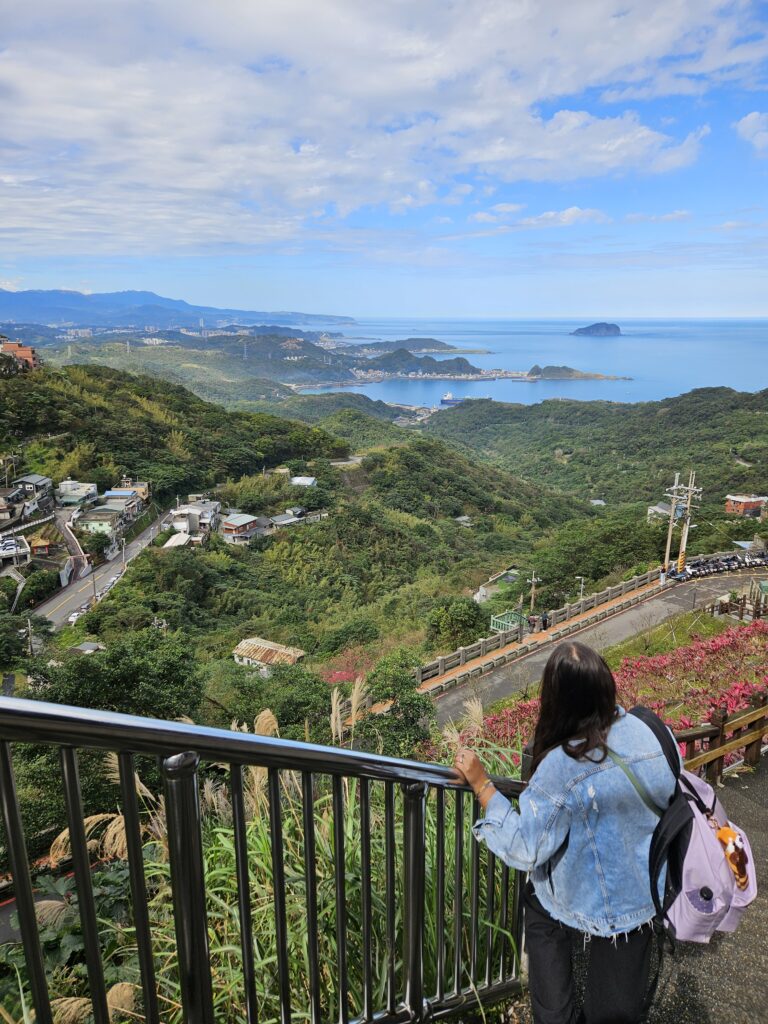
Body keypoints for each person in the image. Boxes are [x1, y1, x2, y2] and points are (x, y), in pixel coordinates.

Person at [452, 641, 676, 1024]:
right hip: (643, 895)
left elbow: (525, 848)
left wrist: (482, 785)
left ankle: (555, 1012)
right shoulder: (652, 732)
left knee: (538, 898)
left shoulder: (563, 764)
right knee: (615, 1013)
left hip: (587, 904)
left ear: (555, 701)